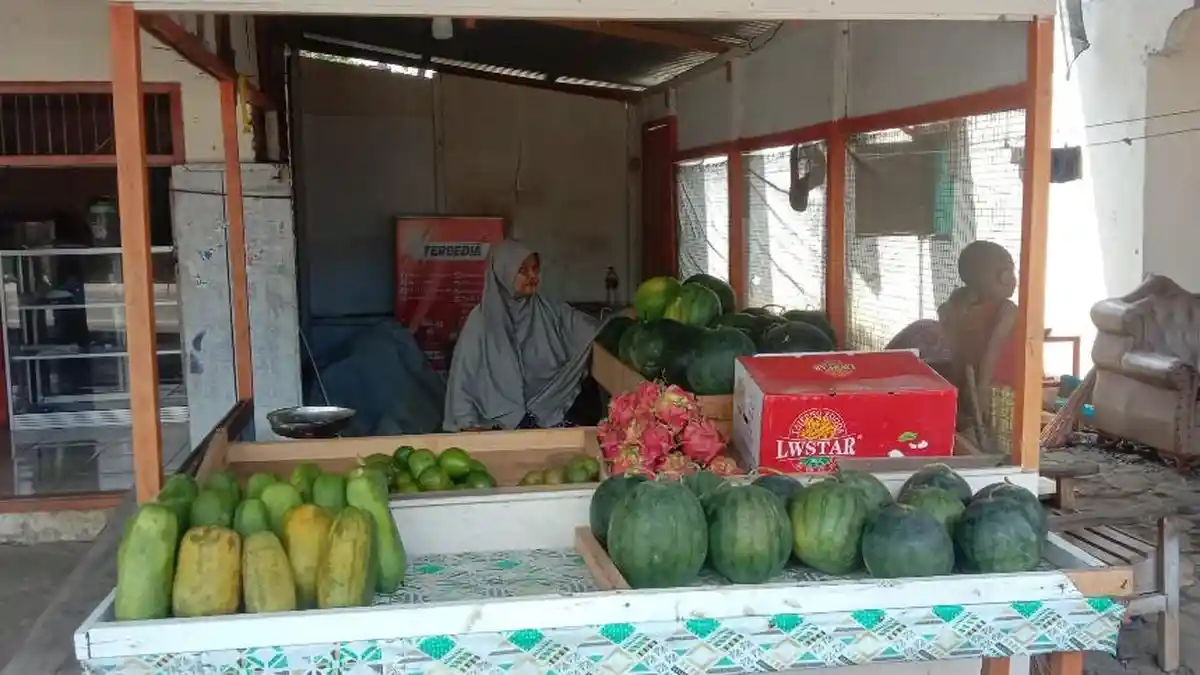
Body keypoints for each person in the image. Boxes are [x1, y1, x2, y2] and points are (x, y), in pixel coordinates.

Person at [444, 239, 600, 431]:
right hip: (500, 421)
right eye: (523, 271)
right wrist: (466, 423)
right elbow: (463, 378)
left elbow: (588, 328)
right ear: (503, 273)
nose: (533, 276)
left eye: (535, 269)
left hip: (551, 409)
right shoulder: (481, 321)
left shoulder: (548, 310)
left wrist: (620, 320)